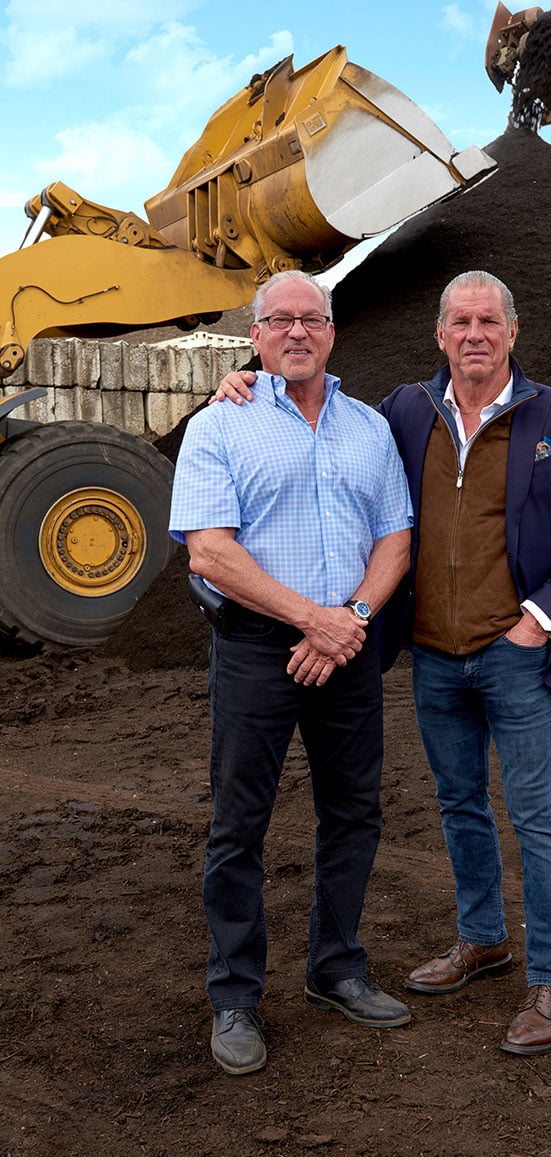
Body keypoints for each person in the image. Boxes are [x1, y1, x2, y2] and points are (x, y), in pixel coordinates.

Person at [215, 269, 551, 1058]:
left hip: (518, 654)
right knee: (459, 804)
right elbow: (314, 406)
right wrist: (247, 380)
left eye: (488, 321)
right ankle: (482, 938)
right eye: (459, 320)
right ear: (438, 334)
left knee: (536, 815)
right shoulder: (401, 412)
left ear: (512, 330)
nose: (474, 333)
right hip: (433, 655)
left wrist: (538, 623)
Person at [169, 269, 414, 1077]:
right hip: (257, 651)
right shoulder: (219, 426)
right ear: (257, 334)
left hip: (349, 645)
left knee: (354, 811)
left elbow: (394, 541)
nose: (298, 331)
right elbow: (210, 549)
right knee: (240, 823)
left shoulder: (370, 428)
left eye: (312, 318)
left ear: (333, 332)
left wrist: (352, 622)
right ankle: (235, 993)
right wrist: (313, 618)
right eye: (281, 319)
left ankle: (336, 966)